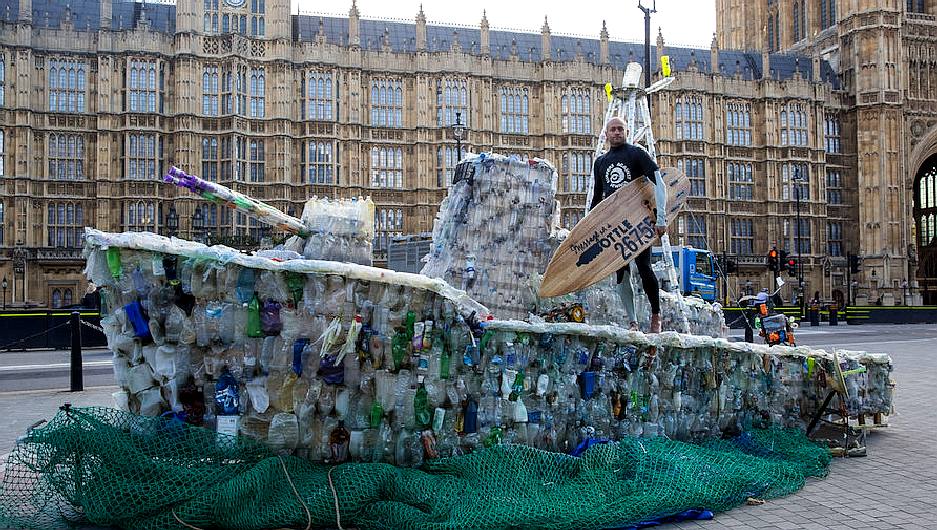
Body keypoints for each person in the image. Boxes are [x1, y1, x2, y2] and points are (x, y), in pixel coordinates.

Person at [589, 117, 667, 333]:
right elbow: (597, 198)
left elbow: (659, 183)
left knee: (644, 267)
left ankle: (655, 315)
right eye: (612, 129)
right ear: (606, 133)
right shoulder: (601, 162)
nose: (616, 133)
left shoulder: (637, 154)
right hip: (615, 223)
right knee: (621, 272)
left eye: (620, 129)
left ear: (627, 131)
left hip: (638, 220)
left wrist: (661, 218)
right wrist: (589, 228)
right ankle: (632, 321)